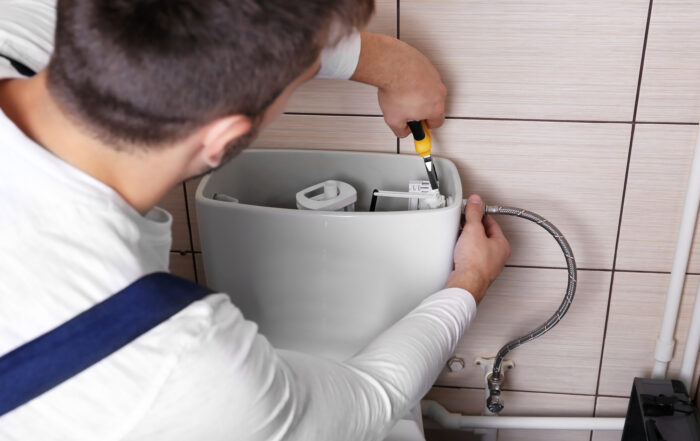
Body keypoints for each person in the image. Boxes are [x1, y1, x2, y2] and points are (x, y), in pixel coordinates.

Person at [0, 1, 511, 440]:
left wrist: (388, 63)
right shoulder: (176, 361)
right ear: (222, 140)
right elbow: (370, 400)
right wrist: (468, 281)